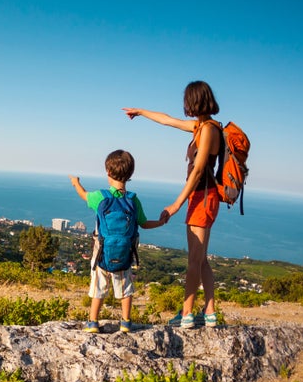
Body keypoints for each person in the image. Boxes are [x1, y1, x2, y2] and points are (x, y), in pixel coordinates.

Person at [122, 80, 223, 328]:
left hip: (203, 197)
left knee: (193, 261)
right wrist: (141, 112)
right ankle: (209, 312)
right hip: (202, 197)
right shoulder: (200, 127)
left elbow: (198, 171)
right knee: (202, 260)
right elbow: (167, 120)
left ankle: (187, 314)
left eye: (187, 100)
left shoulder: (208, 130)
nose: (184, 106)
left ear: (194, 100)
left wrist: (177, 204)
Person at [70, 149, 164, 334]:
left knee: (98, 288)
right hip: (124, 254)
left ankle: (93, 322)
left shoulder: (101, 197)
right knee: (125, 288)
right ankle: (126, 322)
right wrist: (161, 222)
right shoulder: (133, 200)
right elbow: (144, 224)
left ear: (107, 171)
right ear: (130, 175)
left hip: (102, 254)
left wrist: (76, 183)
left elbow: (83, 195)